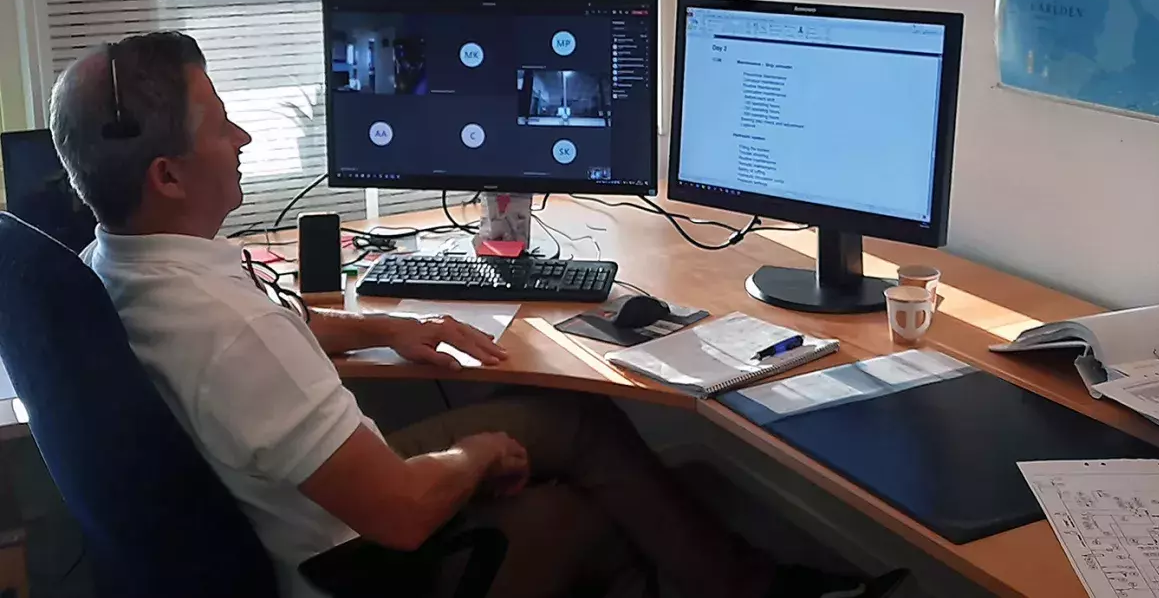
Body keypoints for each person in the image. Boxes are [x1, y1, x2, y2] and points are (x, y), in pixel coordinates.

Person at [49, 32, 907, 598]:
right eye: (223, 127)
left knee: (575, 418)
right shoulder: (223, 328)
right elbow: (400, 513)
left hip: (319, 499)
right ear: (165, 174)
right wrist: (474, 453)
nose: (241, 142)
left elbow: (261, 345)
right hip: (363, 564)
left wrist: (381, 326)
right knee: (617, 512)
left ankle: (744, 580)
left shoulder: (123, 263)